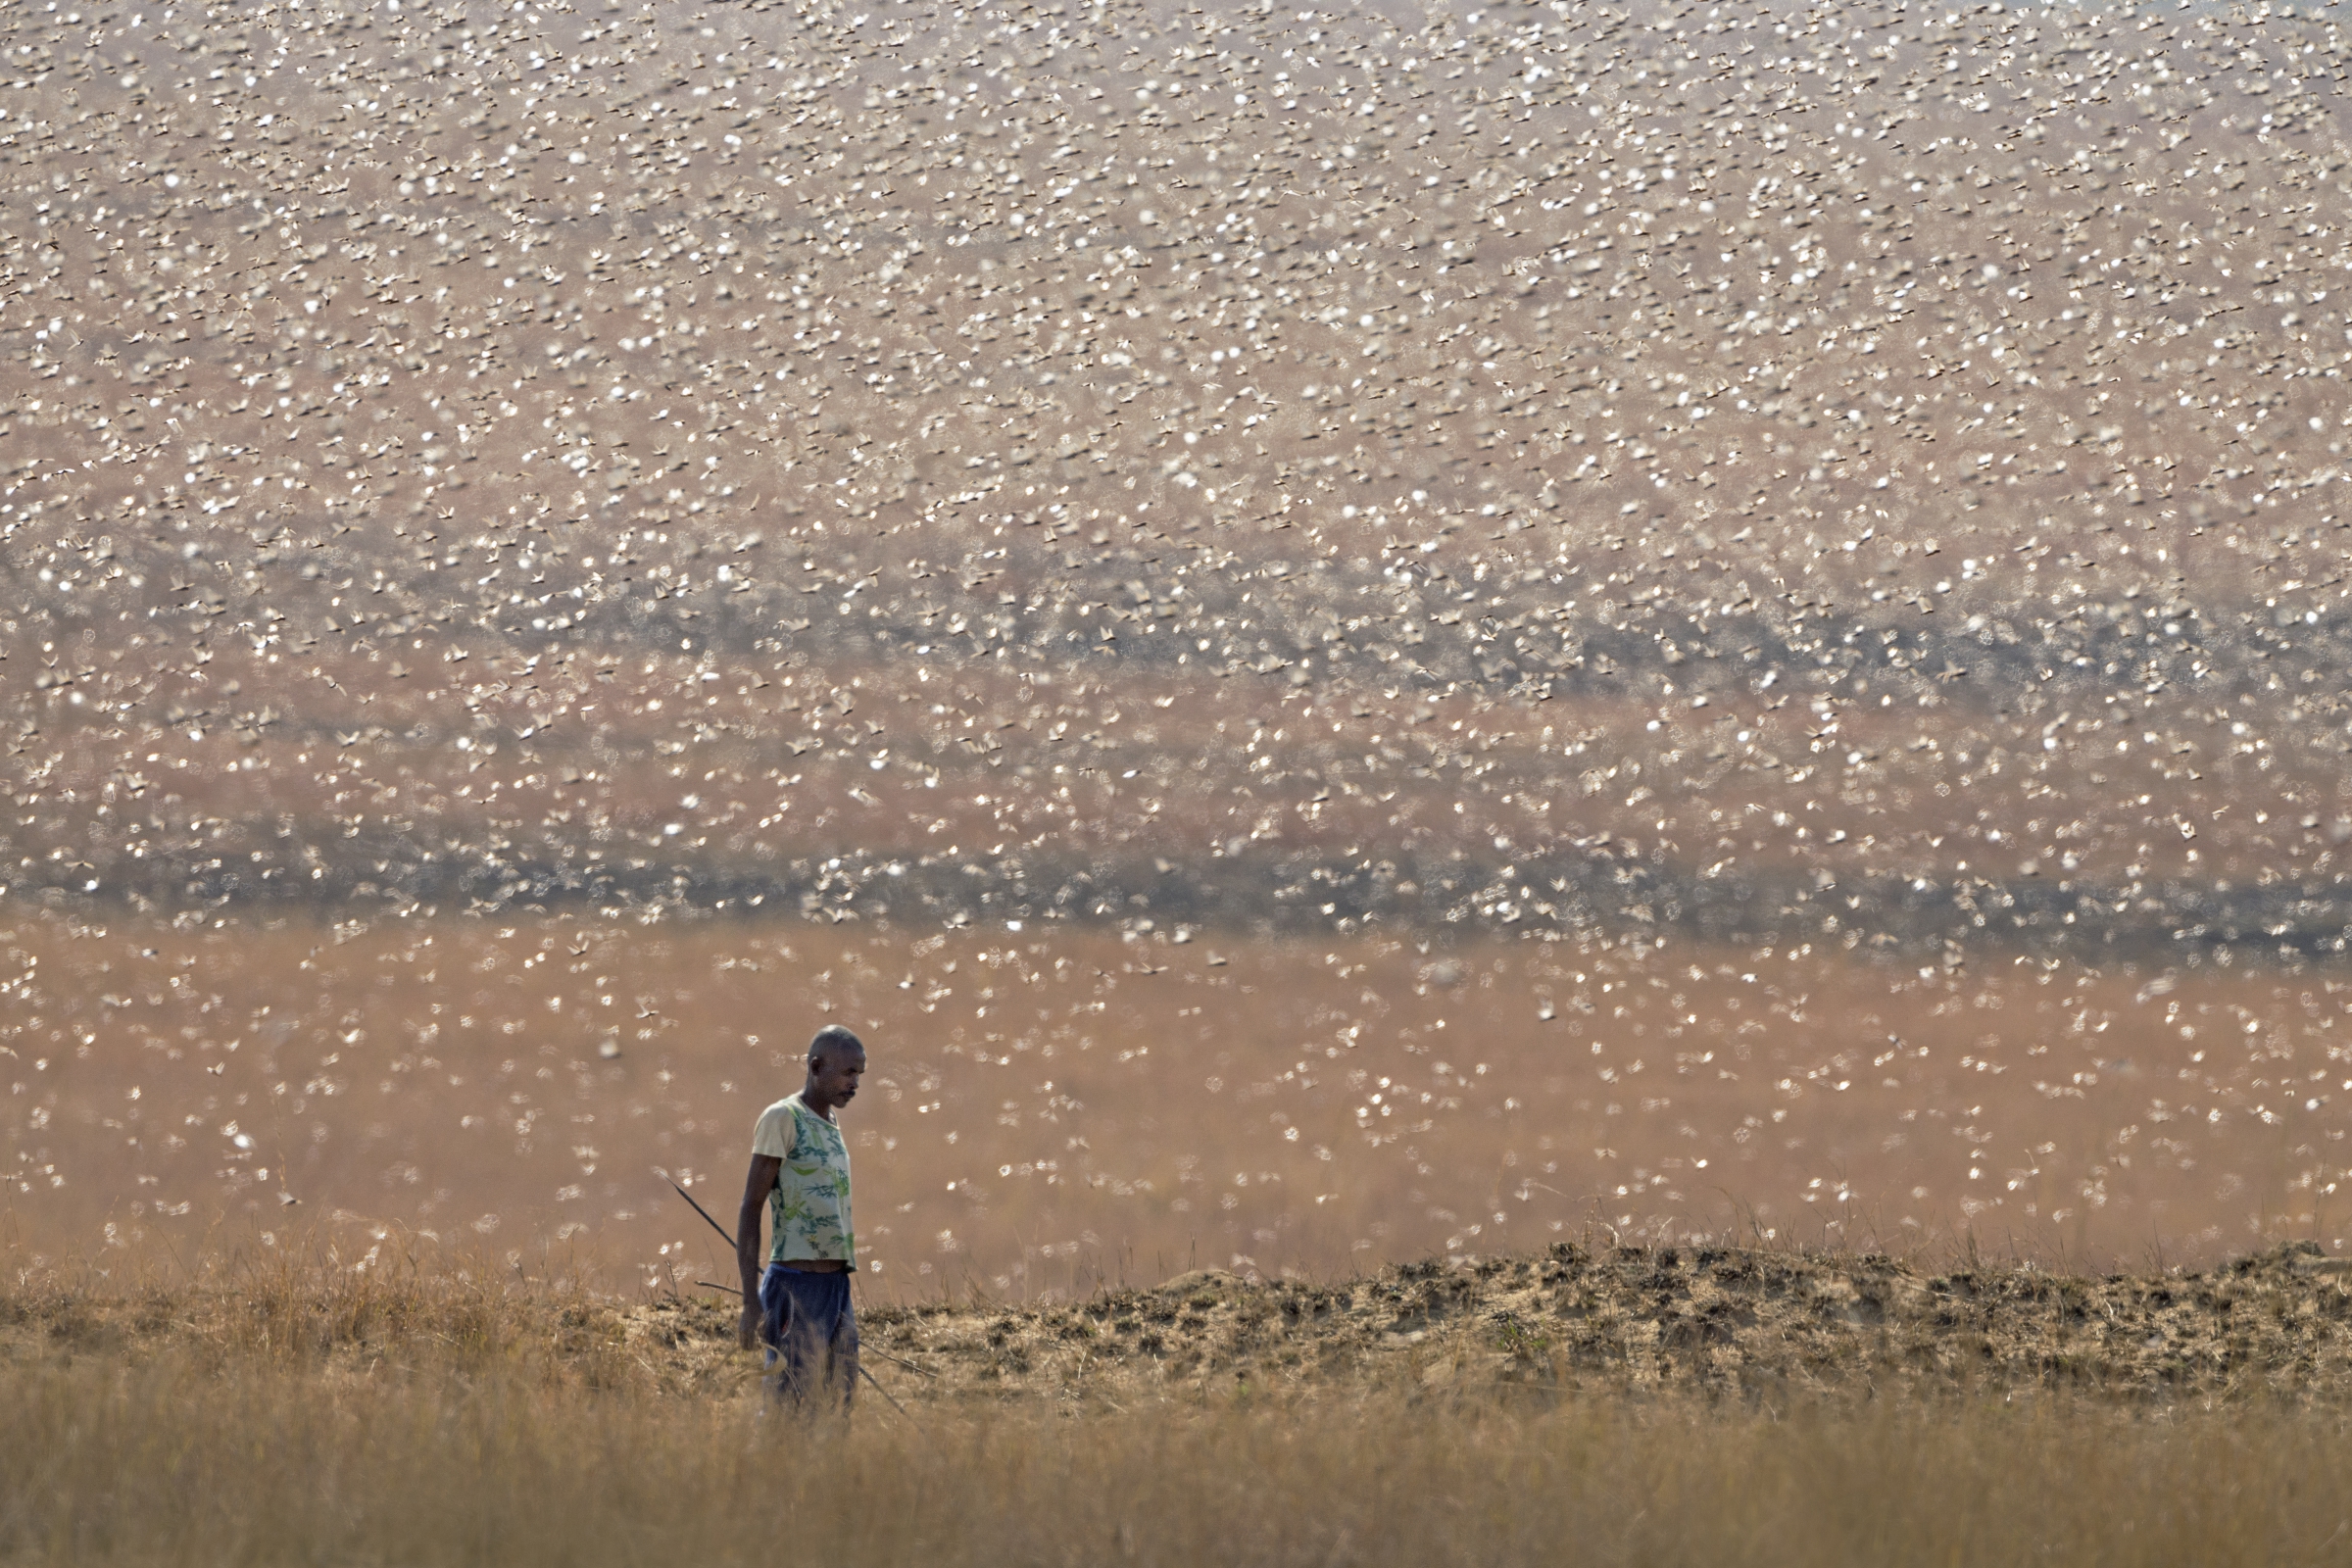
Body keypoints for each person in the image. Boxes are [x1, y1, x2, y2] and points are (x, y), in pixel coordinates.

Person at [736, 1024, 866, 1409]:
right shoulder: (783, 1118)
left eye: (859, 1074)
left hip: (836, 1288)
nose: (855, 1083)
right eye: (847, 1073)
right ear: (815, 1067)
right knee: (789, 1405)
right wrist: (750, 1301)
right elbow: (750, 1207)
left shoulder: (830, 1124)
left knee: (837, 1404)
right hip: (796, 1288)